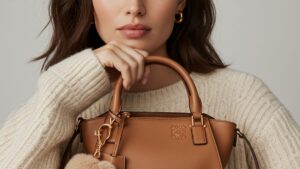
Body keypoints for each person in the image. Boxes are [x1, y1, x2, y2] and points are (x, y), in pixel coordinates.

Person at [0, 0, 299, 169]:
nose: (135, 6)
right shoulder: (66, 103)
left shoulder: (240, 97)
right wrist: (64, 92)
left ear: (180, 2)